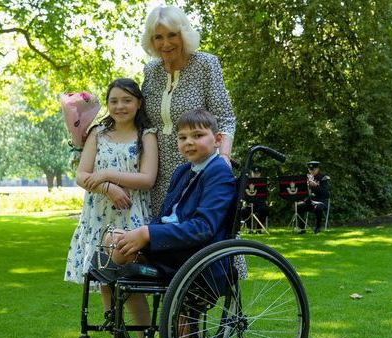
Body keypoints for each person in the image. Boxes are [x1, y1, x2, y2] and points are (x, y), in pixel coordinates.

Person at [64, 78, 158, 338]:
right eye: (114, 101)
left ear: (138, 103)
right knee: (106, 281)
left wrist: (106, 174)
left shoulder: (146, 135)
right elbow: (82, 175)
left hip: (132, 215)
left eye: (127, 100)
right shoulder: (97, 133)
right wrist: (107, 188)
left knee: (130, 282)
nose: (120, 106)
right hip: (99, 215)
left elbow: (147, 178)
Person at [106, 109, 236, 277]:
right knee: (111, 239)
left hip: (192, 253)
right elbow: (165, 214)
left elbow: (204, 228)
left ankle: (123, 287)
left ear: (218, 139)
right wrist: (145, 233)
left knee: (118, 249)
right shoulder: (182, 172)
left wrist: (148, 234)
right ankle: (118, 294)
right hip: (170, 245)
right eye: (182, 137)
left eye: (197, 136)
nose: (189, 142)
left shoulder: (219, 171)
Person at [141, 5, 236, 214]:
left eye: (172, 35)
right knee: (160, 230)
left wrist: (224, 157)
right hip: (156, 169)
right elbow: (140, 119)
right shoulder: (151, 71)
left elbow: (226, 118)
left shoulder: (206, 64)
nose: (165, 43)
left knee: (192, 228)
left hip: (197, 165)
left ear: (183, 34)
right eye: (158, 37)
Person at [297, 161, 330, 234]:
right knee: (299, 206)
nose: (311, 171)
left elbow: (326, 194)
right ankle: (302, 228)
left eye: (313, 169)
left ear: (318, 169)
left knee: (318, 208)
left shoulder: (323, 178)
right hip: (309, 201)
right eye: (310, 170)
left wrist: (316, 186)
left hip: (321, 201)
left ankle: (318, 227)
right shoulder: (306, 178)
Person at [241, 166, 269, 234]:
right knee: (243, 210)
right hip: (249, 203)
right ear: (252, 173)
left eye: (257, 173)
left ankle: (259, 229)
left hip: (260, 203)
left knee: (264, 209)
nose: (256, 174)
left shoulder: (264, 182)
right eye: (254, 173)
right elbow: (242, 193)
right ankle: (249, 228)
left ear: (260, 174)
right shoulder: (246, 181)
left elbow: (267, 194)